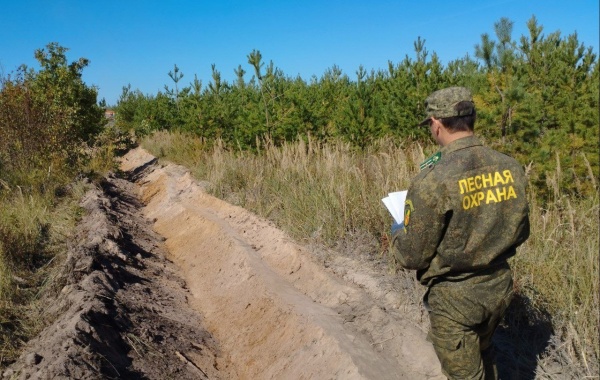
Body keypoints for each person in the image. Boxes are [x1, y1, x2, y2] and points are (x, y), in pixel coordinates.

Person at [390, 87, 530, 379]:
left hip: (455, 300)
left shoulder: (433, 179)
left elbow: (412, 255)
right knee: (484, 352)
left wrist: (397, 231)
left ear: (437, 124)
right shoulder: (511, 167)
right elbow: (520, 231)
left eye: (430, 125)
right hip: (499, 288)